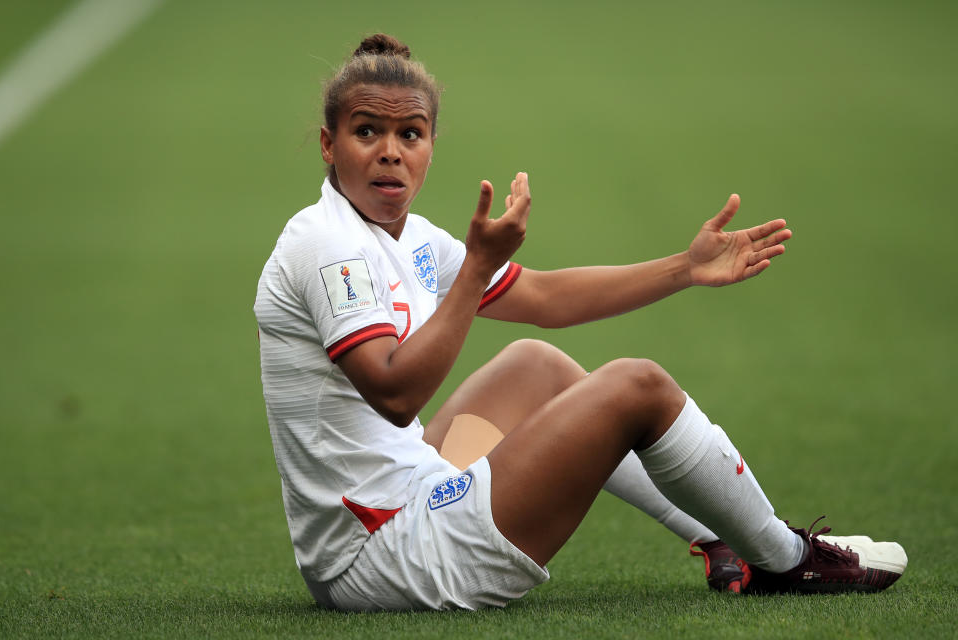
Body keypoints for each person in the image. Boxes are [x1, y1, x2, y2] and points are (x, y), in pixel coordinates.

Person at [254, 34, 907, 611]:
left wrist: (687, 266)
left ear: (430, 145)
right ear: (327, 144)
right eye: (367, 132)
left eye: (410, 134)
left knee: (534, 363)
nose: (390, 152)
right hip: (385, 557)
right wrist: (478, 266)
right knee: (638, 387)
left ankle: (727, 539)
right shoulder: (327, 243)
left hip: (400, 506)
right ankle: (790, 561)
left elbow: (543, 296)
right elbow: (395, 396)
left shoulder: (409, 237)